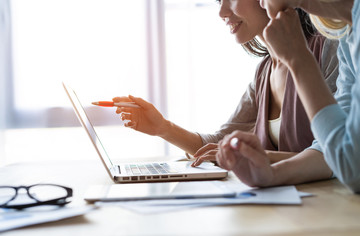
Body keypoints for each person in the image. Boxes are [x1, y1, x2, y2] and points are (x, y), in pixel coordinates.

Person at [113, 0, 338, 174]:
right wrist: (163, 128)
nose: (222, 12)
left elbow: (333, 151)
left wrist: (255, 156)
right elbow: (220, 142)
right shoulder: (264, 72)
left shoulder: (329, 51)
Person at [216, 0, 360, 192]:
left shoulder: (332, 42)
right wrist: (271, 175)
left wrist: (298, 58)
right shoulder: (347, 35)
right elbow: (335, 147)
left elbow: (353, 166)